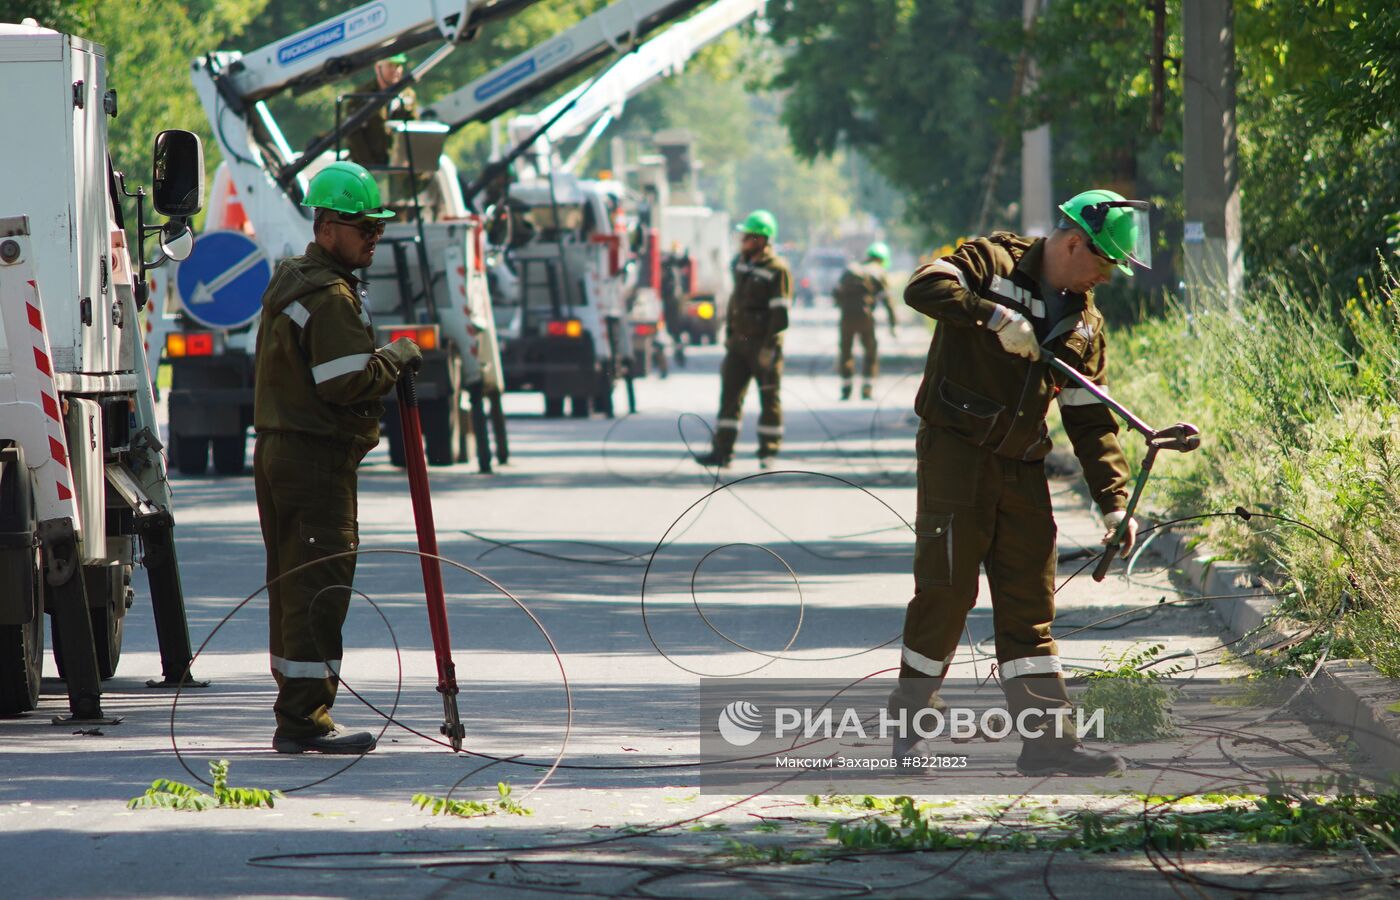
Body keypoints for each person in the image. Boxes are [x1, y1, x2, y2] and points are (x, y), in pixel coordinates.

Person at [889, 188, 1152, 776]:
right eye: (1105, 261)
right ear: (1073, 242)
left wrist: (1113, 502)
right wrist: (991, 314)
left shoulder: (1085, 325)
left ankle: (1049, 745)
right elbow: (920, 287)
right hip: (956, 454)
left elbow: (1089, 418)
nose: (1108, 276)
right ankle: (910, 729)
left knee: (1030, 607)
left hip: (1022, 466)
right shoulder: (992, 262)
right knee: (947, 593)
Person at [254, 161, 422, 754]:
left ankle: (296, 707)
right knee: (320, 586)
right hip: (315, 457)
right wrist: (399, 354)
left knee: (293, 583)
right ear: (326, 228)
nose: (373, 237)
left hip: (282, 450)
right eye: (362, 228)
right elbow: (345, 381)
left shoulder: (295, 280)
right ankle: (304, 718)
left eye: (377, 228)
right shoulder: (328, 296)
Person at [693, 210, 792, 469]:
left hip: (763, 346)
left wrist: (769, 347)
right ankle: (722, 451)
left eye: (746, 236)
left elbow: (780, 314)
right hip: (738, 345)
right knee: (730, 397)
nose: (742, 240)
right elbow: (735, 302)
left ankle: (767, 451)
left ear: (761, 239)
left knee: (769, 398)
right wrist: (728, 336)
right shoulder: (742, 263)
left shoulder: (777, 269)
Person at [834, 241, 897, 400]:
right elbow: (888, 301)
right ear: (882, 259)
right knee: (870, 351)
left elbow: (836, 293)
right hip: (866, 317)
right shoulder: (878, 272)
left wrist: (843, 307)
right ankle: (867, 390)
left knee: (846, 351)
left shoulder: (851, 269)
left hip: (846, 316)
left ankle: (846, 390)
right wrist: (893, 324)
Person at [343, 54, 417, 170]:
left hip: (397, 168)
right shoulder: (362, 95)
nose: (394, 70)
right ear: (378, 68)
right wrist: (370, 167)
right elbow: (353, 133)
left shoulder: (407, 95)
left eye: (398, 66)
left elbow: (413, 130)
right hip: (367, 167)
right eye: (390, 65)